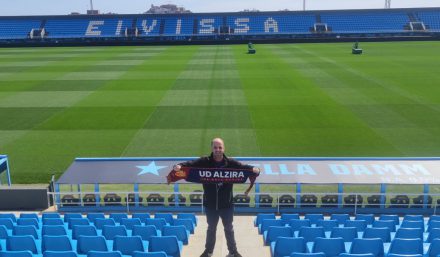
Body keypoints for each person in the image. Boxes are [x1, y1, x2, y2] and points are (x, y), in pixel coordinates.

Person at [172, 138, 260, 257]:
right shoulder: (204, 161)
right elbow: (190, 164)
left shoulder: (231, 163)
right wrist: (179, 166)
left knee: (229, 229)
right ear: (212, 148)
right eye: (215, 147)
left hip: (227, 205)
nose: (218, 150)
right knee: (211, 229)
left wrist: (256, 170)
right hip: (210, 205)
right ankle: (208, 251)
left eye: (220, 147)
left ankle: (233, 252)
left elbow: (245, 168)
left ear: (224, 148)